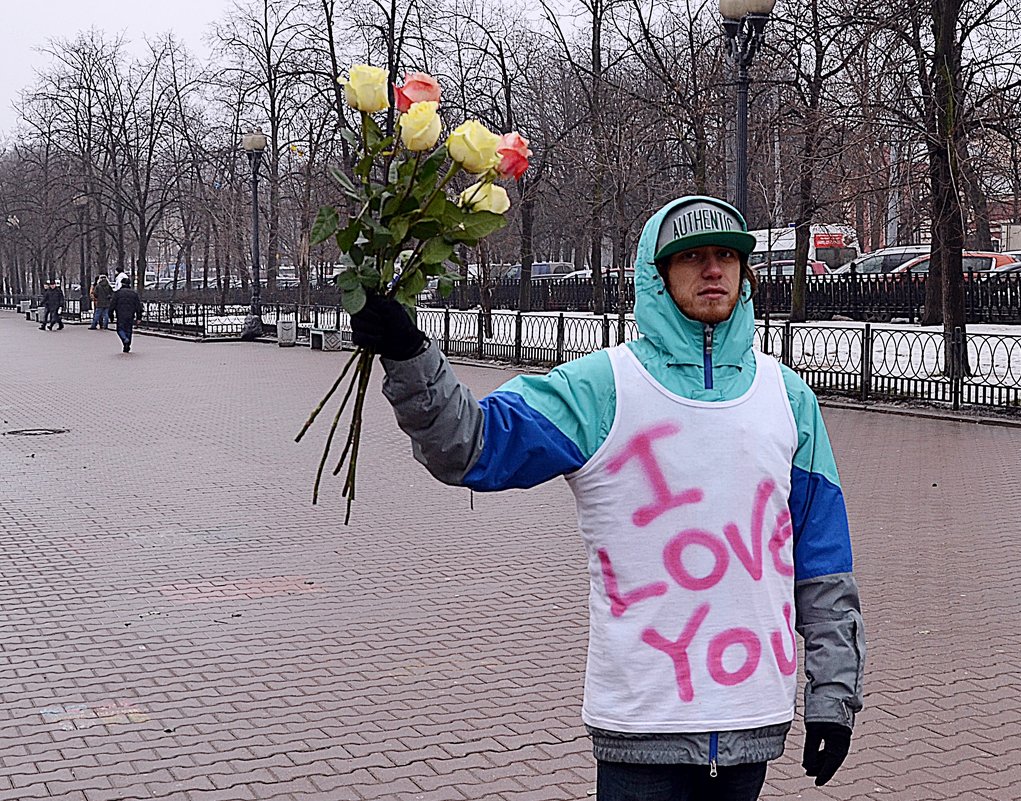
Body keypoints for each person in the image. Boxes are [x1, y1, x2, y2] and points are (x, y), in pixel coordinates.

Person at [351, 195, 865, 801]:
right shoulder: (602, 388)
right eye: (691, 257)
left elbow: (823, 562)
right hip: (641, 723)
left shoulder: (787, 396)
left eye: (726, 256)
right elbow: (470, 446)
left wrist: (833, 696)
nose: (712, 270)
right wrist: (410, 356)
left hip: (750, 715)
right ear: (657, 273)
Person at [108, 277, 143, 353]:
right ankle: (127, 345)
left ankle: (124, 339)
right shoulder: (134, 294)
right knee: (129, 330)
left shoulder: (117, 293)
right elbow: (138, 306)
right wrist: (139, 317)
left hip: (120, 315)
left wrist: (111, 316)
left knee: (120, 329)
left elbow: (112, 305)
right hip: (130, 314)